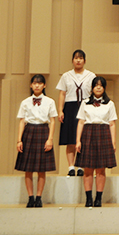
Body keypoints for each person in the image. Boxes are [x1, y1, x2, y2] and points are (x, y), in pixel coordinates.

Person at [15, 75, 57, 208]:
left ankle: (39, 197)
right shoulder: (25, 102)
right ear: (31, 85)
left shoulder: (50, 101)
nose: (37, 85)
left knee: (41, 169)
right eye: (34, 83)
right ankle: (30, 197)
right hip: (29, 132)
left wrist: (50, 139)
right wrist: (19, 140)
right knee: (28, 169)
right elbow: (22, 121)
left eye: (40, 83)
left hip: (43, 131)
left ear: (44, 86)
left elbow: (53, 121)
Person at [75, 76, 117, 207]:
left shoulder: (110, 103)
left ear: (104, 88)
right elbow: (81, 122)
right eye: (96, 85)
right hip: (88, 134)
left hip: (103, 134)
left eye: (101, 85)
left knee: (101, 170)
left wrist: (113, 142)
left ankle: (99, 198)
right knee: (87, 169)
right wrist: (78, 141)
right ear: (92, 88)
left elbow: (112, 124)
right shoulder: (85, 102)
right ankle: (88, 198)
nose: (98, 87)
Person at [56, 49, 95, 177]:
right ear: (72, 60)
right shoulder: (66, 76)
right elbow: (62, 93)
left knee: (84, 138)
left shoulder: (91, 75)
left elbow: (95, 94)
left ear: (85, 61)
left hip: (86, 106)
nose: (78, 60)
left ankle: (81, 166)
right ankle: (71, 167)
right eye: (76, 58)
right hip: (70, 106)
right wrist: (60, 110)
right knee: (71, 139)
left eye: (81, 58)